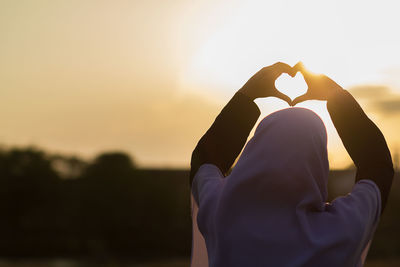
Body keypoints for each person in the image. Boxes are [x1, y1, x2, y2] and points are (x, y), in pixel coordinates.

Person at [189, 62, 394, 267]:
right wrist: (336, 97)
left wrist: (247, 96)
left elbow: (204, 161)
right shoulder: (342, 228)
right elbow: (377, 164)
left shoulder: (221, 216)